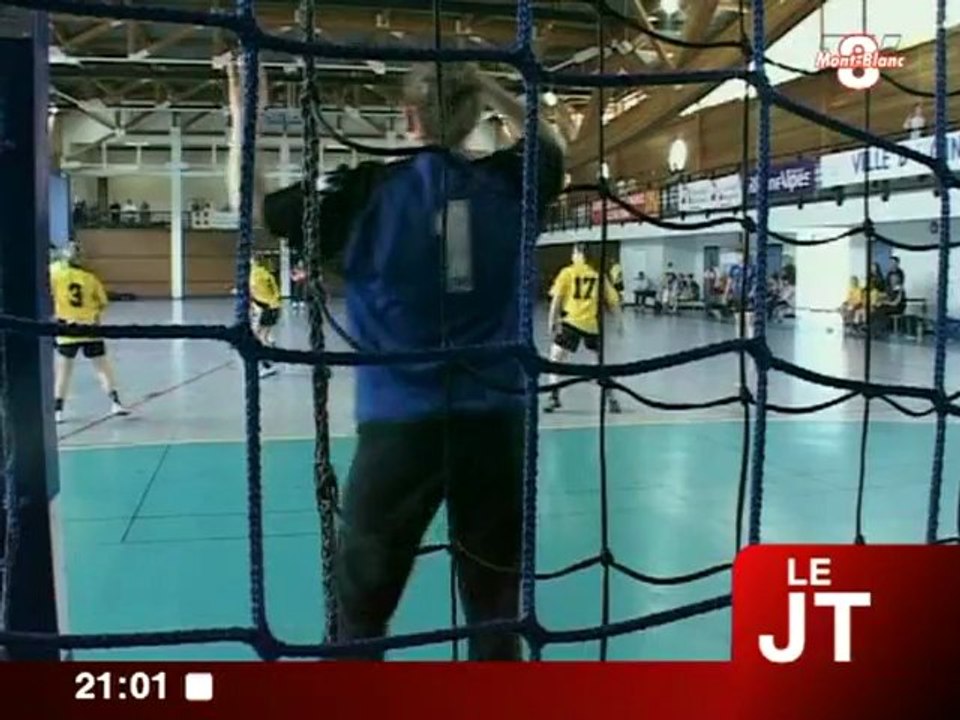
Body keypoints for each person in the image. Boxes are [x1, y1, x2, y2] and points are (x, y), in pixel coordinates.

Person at [227, 56, 564, 660]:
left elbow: (252, 209)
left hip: (399, 434)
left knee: (358, 617)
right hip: (496, 427)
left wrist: (243, 117)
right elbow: (550, 140)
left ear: (408, 116)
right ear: (475, 116)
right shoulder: (511, 184)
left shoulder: (363, 194)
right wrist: (491, 85)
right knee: (495, 615)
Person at [49, 243, 130, 423]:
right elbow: (102, 303)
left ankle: (58, 411)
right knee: (102, 367)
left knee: (63, 370)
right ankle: (116, 403)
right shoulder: (90, 279)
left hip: (67, 328)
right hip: (90, 327)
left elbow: (47, 290)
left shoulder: (55, 274)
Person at [544, 244, 623, 414]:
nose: (572, 256)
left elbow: (556, 300)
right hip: (591, 326)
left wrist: (552, 321)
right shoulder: (598, 275)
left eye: (573, 252)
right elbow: (614, 302)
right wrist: (619, 323)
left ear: (578, 254)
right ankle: (612, 399)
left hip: (571, 323)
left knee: (555, 359)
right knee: (599, 365)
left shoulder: (568, 272)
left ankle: (554, 396)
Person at [249, 251, 282, 378]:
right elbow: (275, 292)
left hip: (267, 307)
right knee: (262, 333)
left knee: (259, 337)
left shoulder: (254, 274)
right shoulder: (266, 272)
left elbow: (255, 293)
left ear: (253, 260)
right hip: (274, 306)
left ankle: (269, 365)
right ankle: (271, 344)